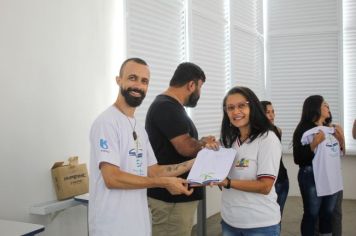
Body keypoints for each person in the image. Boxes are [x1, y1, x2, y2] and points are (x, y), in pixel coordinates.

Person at [89, 58, 195, 236]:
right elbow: (112, 178)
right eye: (132, 78)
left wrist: (195, 162)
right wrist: (163, 183)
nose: (138, 85)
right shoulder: (106, 123)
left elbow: (153, 171)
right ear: (119, 80)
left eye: (144, 81)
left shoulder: (138, 128)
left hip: (138, 225)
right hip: (111, 227)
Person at [145, 62, 216, 236]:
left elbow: (180, 143)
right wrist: (204, 145)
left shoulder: (170, 106)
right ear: (191, 85)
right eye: (200, 87)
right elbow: (186, 148)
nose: (200, 93)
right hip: (171, 199)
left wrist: (201, 141)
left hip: (176, 197)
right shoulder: (166, 107)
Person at [216, 86, 282, 235]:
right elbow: (222, 183)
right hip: (229, 221)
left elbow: (265, 186)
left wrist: (228, 182)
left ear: (253, 107)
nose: (235, 112)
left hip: (259, 224)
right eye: (230, 108)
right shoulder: (228, 141)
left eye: (241, 106)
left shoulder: (267, 139)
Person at [293, 95, 344, 236]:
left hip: (331, 176)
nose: (328, 108)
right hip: (311, 176)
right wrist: (314, 143)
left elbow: (338, 153)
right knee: (312, 214)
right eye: (325, 105)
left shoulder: (330, 129)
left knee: (327, 214)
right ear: (315, 108)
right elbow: (298, 159)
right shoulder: (304, 129)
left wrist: (340, 140)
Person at [261, 101, 289, 216]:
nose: (272, 115)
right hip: (269, 183)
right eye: (268, 112)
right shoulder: (258, 134)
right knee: (267, 217)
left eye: (273, 112)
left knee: (278, 217)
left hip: (282, 179)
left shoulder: (278, 130)